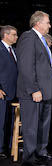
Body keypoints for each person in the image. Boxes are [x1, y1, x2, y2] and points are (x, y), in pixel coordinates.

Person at [16, 11, 52, 166]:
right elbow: (26, 66)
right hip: (33, 92)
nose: (50, 25)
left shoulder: (40, 40)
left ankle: (41, 152)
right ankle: (29, 158)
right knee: (31, 126)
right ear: (38, 23)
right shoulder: (28, 37)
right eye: (47, 22)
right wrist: (34, 89)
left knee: (42, 126)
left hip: (45, 92)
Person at [0, 25, 18, 159]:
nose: (16, 37)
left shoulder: (14, 51)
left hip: (14, 93)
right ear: (6, 35)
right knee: (1, 122)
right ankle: (0, 148)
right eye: (14, 35)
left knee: (11, 121)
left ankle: (11, 146)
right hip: (2, 92)